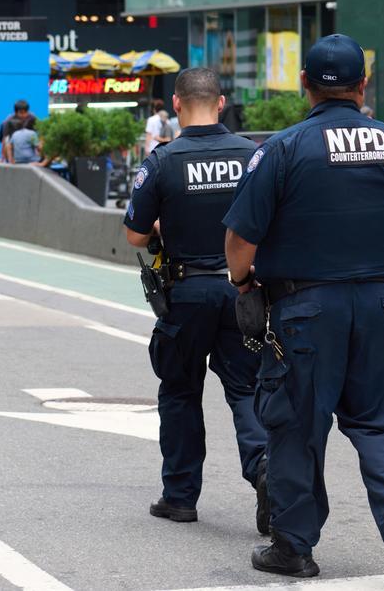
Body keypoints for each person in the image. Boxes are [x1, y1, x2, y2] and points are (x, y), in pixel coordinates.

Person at [223, 34, 384, 587]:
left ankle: (293, 548)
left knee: (295, 428)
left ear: (305, 87)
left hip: (305, 310)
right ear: (363, 86)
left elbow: (240, 241)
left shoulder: (283, 149)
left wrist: (245, 283)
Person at [122, 67, 268, 532]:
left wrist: (165, 225)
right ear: (221, 103)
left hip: (185, 294)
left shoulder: (162, 161)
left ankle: (180, 497)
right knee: (247, 390)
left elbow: (134, 235)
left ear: (177, 105)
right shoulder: (253, 156)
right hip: (242, 290)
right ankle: (267, 473)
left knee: (181, 392)